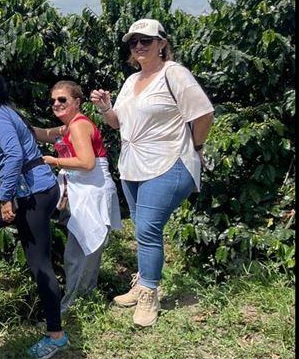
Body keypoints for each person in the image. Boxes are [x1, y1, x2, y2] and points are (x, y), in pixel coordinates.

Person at [89, 19, 215, 327]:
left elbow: (204, 113)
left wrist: (196, 145)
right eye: (134, 42)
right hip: (133, 166)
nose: (139, 46)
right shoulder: (132, 81)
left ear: (162, 43)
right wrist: (106, 107)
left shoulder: (174, 73)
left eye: (146, 40)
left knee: (146, 229)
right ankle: (146, 282)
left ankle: (149, 295)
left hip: (169, 162)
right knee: (145, 230)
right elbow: (118, 123)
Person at [0, 69, 65, 359]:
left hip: (32, 192)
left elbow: (14, 156)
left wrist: (5, 195)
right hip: (37, 188)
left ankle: (56, 335)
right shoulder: (3, 113)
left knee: (39, 263)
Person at [32, 80, 122, 315]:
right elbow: (43, 134)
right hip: (83, 192)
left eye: (63, 100)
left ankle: (74, 306)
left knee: (81, 251)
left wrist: (53, 161)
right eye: (53, 100)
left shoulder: (79, 126)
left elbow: (86, 162)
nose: (56, 104)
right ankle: (81, 300)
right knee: (82, 251)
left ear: (77, 102)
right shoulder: (67, 128)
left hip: (91, 193)